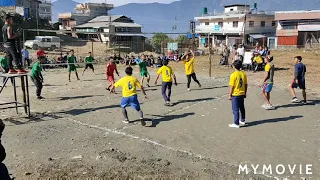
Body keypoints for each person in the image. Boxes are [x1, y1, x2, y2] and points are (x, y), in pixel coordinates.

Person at [228, 60, 248, 128]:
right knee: (242, 107)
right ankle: (242, 120)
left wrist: (230, 95)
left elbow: (232, 86)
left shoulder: (233, 75)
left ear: (234, 66)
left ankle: (236, 123)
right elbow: (246, 84)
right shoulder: (243, 74)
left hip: (235, 94)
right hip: (242, 93)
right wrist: (245, 92)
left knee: (235, 109)